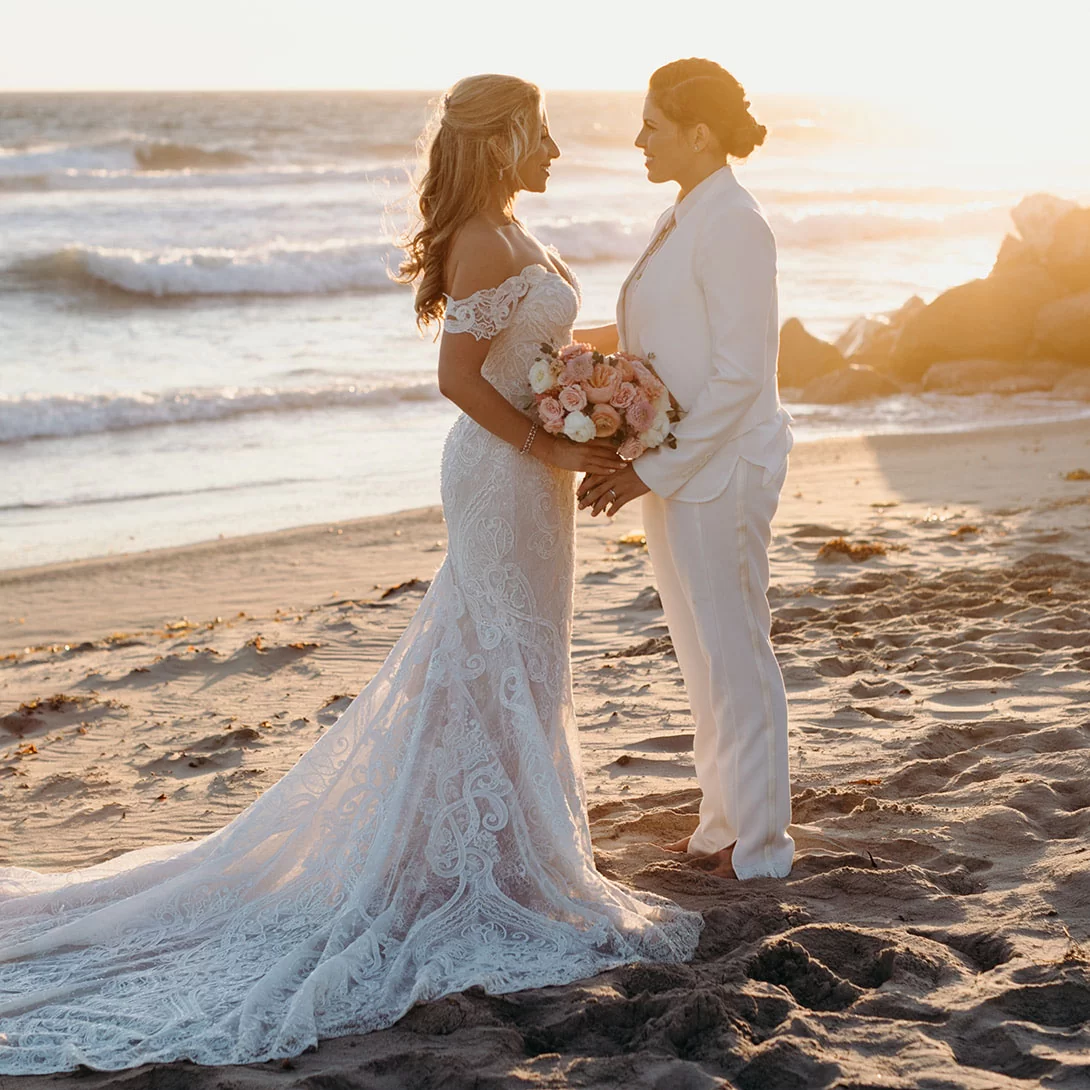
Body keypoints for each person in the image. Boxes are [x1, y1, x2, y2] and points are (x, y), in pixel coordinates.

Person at [0, 74, 702, 1076]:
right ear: (503, 140)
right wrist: (552, 448)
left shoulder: (506, 229)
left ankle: (500, 847)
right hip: (501, 478)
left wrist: (610, 373)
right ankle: (471, 862)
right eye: (540, 134)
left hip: (526, 475)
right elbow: (458, 379)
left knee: (517, 650)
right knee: (492, 644)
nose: (555, 149)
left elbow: (529, 351)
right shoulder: (481, 239)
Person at [577, 58, 795, 881]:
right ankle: (720, 827)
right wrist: (565, 365)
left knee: (737, 652)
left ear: (698, 133)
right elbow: (661, 342)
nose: (638, 139)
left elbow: (742, 374)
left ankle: (764, 848)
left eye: (653, 126)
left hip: (720, 467)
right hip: (676, 463)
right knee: (702, 656)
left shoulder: (734, 221)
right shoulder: (687, 212)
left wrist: (651, 471)